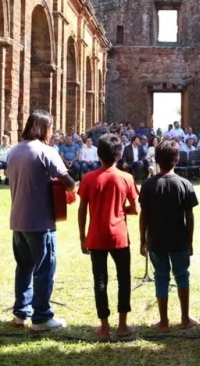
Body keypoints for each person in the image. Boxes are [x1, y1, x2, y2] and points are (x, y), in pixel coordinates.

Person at [8, 110, 76, 332]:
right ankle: (41, 317)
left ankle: (21, 313)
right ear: (44, 128)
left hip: (18, 220)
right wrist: (70, 189)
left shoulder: (14, 151)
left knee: (24, 267)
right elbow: (68, 182)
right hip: (40, 221)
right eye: (51, 127)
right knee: (45, 268)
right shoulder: (45, 151)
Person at [78, 134, 139, 340]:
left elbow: (82, 209)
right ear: (119, 154)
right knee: (124, 279)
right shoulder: (126, 178)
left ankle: (104, 327)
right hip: (119, 235)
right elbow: (136, 208)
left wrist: (81, 236)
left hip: (96, 236)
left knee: (100, 281)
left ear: (98, 154)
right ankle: (122, 325)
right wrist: (121, 210)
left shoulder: (88, 178)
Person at [139, 141, 199, 333]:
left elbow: (144, 216)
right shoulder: (184, 184)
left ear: (156, 160)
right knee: (182, 276)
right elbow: (189, 217)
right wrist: (189, 241)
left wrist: (143, 239)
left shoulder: (148, 185)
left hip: (156, 240)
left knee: (161, 277)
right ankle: (184, 318)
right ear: (177, 159)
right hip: (179, 239)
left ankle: (163, 321)